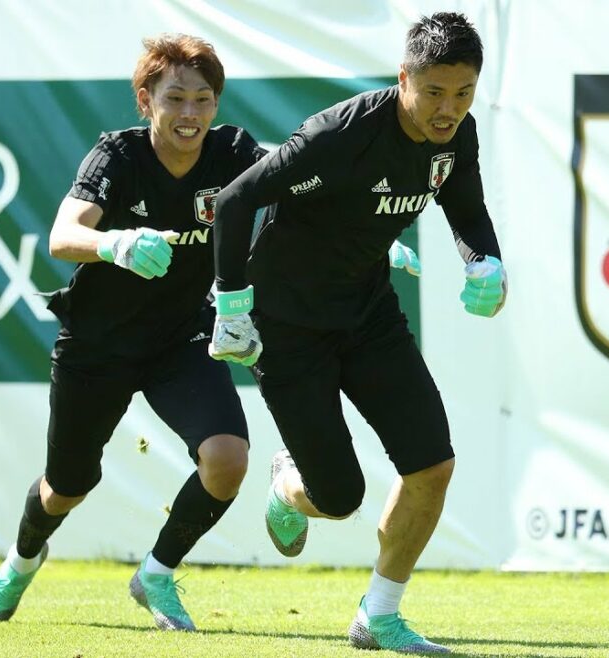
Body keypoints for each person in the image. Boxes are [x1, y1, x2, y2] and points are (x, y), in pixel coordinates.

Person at [209, 12, 505, 655]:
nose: (448, 110)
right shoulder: (338, 135)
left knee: (432, 464)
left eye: (463, 93)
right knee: (339, 496)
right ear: (404, 78)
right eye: (434, 92)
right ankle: (287, 485)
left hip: (369, 314)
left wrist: (486, 260)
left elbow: (466, 206)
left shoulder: (458, 136)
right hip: (285, 327)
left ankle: (380, 613)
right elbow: (234, 202)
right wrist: (232, 303)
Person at [0, 34, 265, 632]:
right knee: (67, 487)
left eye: (203, 100)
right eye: (175, 98)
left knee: (228, 460)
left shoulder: (234, 153)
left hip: (181, 341)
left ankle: (156, 573)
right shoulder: (117, 156)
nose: (190, 114)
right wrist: (116, 243)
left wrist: (372, 239)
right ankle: (23, 559)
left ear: (217, 105)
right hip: (96, 346)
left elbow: (306, 175)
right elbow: (61, 237)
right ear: (145, 100)